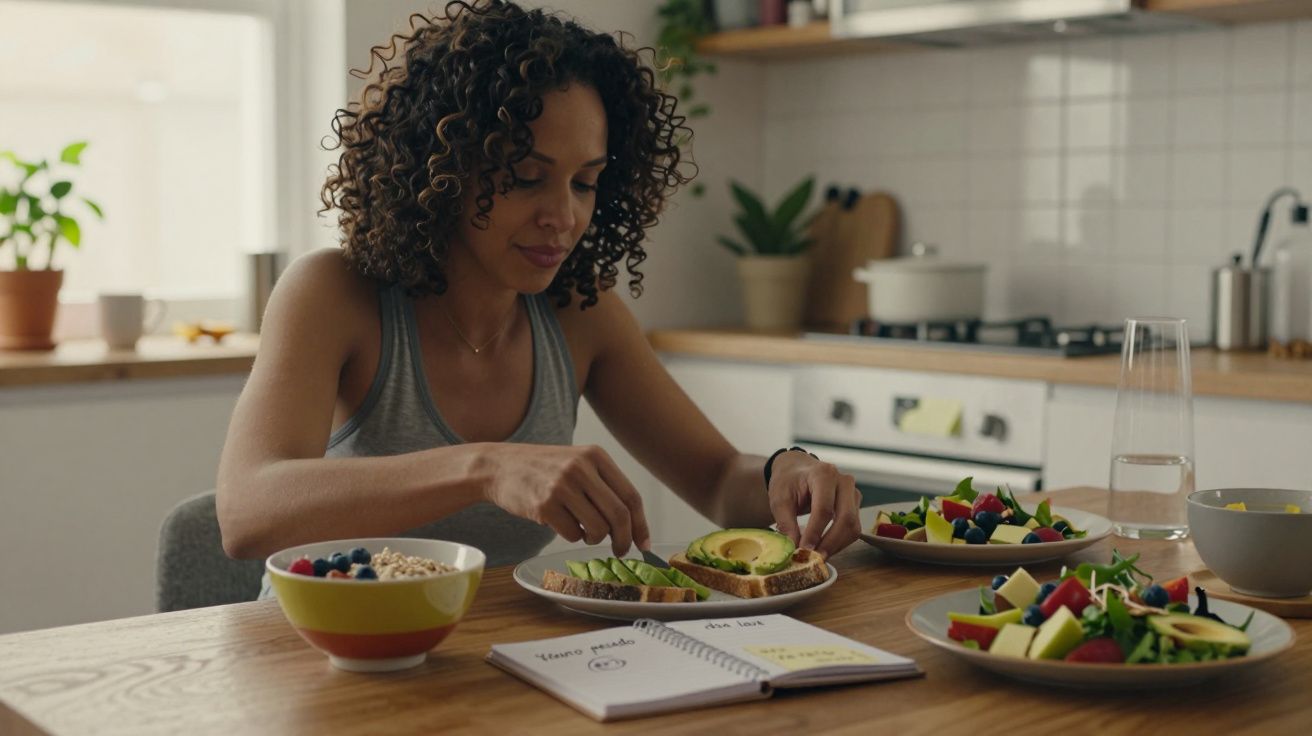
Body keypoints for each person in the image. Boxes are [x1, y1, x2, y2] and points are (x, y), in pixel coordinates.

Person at [215, 0, 862, 582]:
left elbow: (719, 481)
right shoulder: (334, 293)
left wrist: (787, 471)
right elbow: (247, 511)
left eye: (585, 182)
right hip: (324, 663)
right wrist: (489, 468)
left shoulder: (582, 314)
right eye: (527, 177)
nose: (564, 216)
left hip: (489, 664)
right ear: (442, 170)